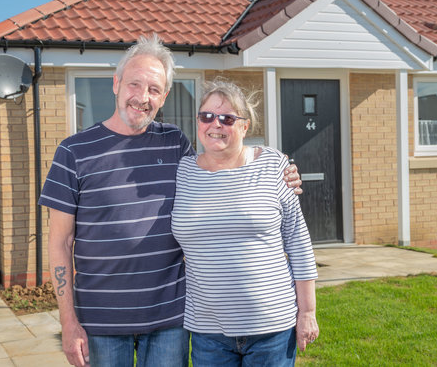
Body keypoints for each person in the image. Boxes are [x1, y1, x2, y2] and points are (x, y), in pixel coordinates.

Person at [39, 34, 302, 367]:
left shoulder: (175, 143)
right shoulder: (73, 151)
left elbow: (219, 174)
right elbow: (59, 242)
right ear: (116, 84)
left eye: (154, 90)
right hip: (101, 321)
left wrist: (278, 169)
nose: (142, 97)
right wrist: (67, 321)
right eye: (135, 84)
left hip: (170, 319)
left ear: (163, 97)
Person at [171, 79, 319, 367]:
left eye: (227, 118)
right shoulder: (183, 171)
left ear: (245, 126)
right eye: (207, 116)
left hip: (272, 328)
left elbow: (299, 243)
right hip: (207, 329)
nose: (216, 124)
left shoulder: (274, 165)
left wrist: (307, 312)